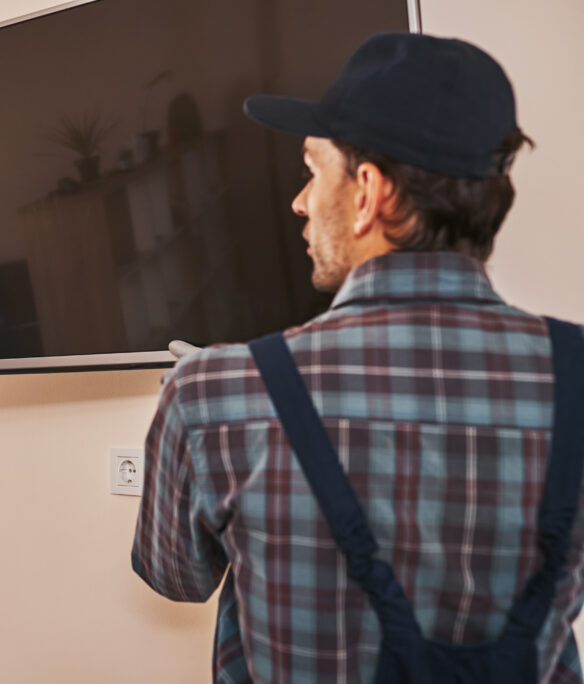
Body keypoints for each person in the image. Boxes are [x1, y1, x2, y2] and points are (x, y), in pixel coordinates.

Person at [132, 32, 584, 683]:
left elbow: (174, 576)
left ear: (369, 192)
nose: (300, 201)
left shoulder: (215, 394)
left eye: (314, 171)